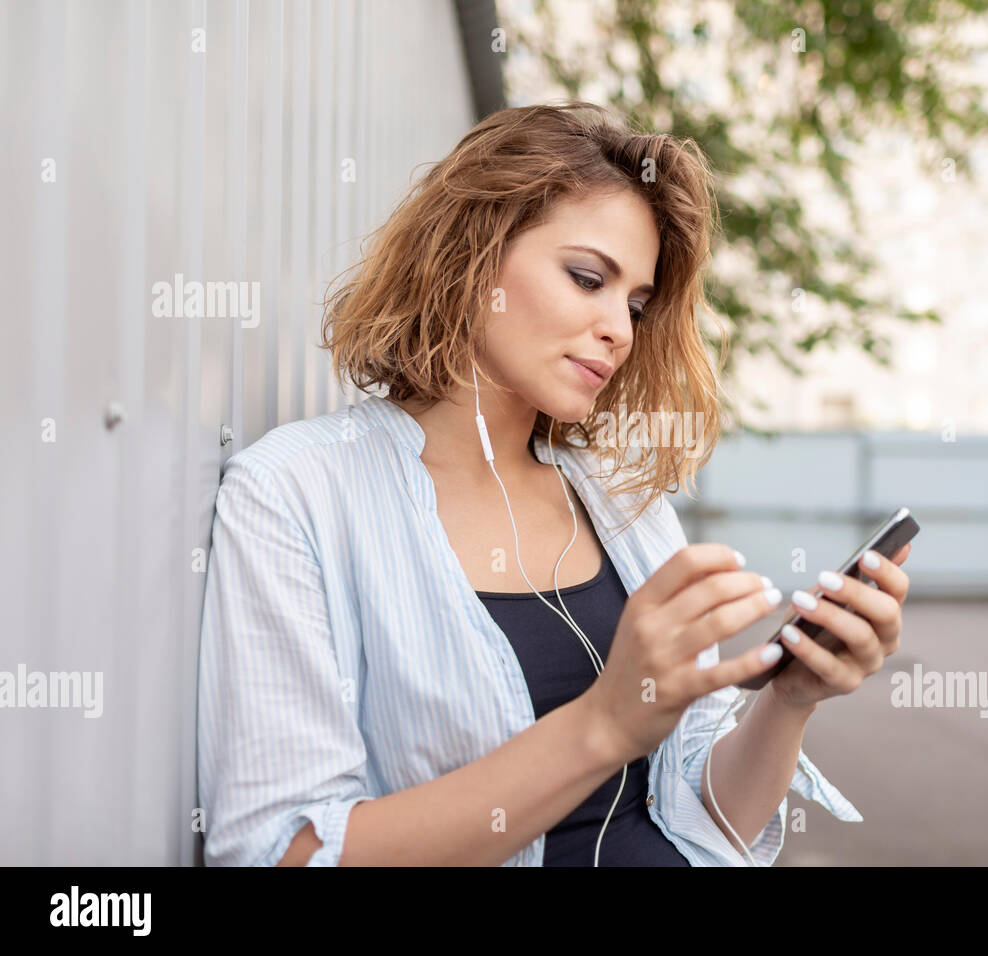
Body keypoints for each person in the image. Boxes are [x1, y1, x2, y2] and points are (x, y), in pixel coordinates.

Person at [197, 102, 911, 867]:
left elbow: (708, 821)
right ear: (468, 255)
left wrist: (789, 700)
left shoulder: (620, 506)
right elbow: (285, 853)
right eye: (586, 278)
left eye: (634, 303)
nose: (621, 330)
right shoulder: (294, 494)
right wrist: (602, 726)